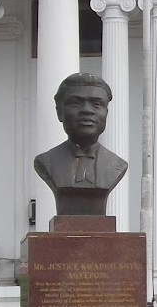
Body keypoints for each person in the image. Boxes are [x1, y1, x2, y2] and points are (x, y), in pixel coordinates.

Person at [34, 72, 128, 217]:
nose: (87, 110)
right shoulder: (46, 162)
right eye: (76, 103)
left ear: (106, 113)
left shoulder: (117, 165)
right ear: (60, 112)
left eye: (96, 104)